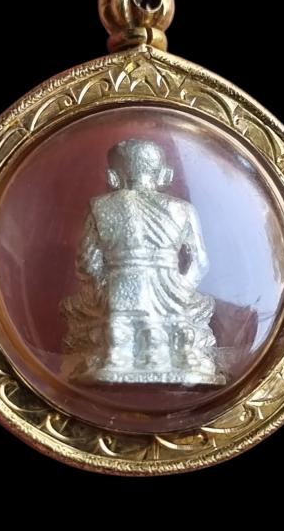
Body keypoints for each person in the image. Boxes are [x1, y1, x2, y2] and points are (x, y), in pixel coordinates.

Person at [61, 139, 224, 385]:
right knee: (196, 312)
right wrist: (181, 289)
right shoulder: (182, 209)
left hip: (119, 288)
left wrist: (103, 290)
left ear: (112, 177)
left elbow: (87, 261)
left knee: (93, 317)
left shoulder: (101, 206)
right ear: (165, 175)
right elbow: (200, 262)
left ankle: (116, 357)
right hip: (171, 291)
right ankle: (177, 355)